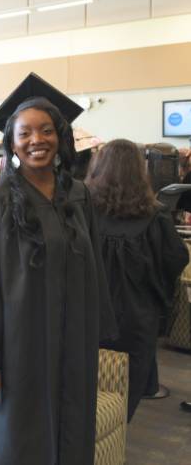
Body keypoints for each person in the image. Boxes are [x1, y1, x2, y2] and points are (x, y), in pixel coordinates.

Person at [0, 73, 117, 465]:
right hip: (17, 355)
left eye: (46, 131)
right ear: (11, 142)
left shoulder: (78, 196)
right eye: (26, 133)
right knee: (15, 444)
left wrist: (92, 340)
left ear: (60, 137)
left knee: (69, 439)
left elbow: (94, 272)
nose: (37, 140)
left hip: (71, 349)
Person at [85, 138, 189, 421]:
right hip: (137, 319)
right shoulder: (155, 215)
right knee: (124, 395)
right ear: (140, 171)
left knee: (86, 391)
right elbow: (176, 257)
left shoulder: (83, 211)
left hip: (88, 317)